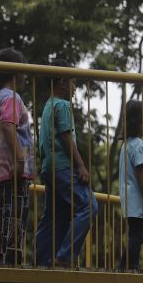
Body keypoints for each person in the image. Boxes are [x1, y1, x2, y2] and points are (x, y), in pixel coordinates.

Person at [34, 59, 98, 268]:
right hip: (63, 167)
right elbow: (66, 137)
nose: (75, 88)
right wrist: (80, 165)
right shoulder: (62, 105)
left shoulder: (48, 105)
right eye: (73, 83)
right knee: (89, 205)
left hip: (49, 168)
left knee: (55, 215)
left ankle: (41, 260)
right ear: (62, 82)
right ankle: (65, 257)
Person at [0, 48, 35, 266]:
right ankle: (9, 263)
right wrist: (20, 160)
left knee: (4, 216)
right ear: (16, 72)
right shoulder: (10, 97)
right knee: (14, 218)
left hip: (2, 169)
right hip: (12, 169)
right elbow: (9, 126)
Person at [118, 100, 143, 271]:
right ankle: (132, 267)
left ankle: (123, 266)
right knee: (137, 236)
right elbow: (141, 173)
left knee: (135, 235)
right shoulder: (139, 145)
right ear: (139, 122)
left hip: (130, 199)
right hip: (138, 199)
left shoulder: (127, 144)